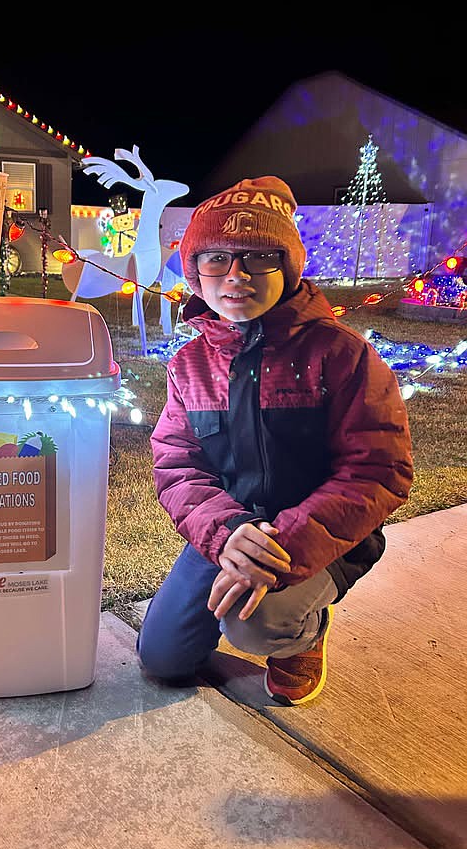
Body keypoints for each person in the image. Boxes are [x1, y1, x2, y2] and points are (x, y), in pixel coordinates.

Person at [137, 176, 413, 705]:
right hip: (233, 532)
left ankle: (300, 637)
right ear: (194, 270)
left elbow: (379, 470)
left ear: (286, 266)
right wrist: (229, 535)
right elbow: (176, 465)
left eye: (258, 257)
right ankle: (246, 596)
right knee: (163, 659)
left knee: (255, 626)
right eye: (215, 258)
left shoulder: (342, 354)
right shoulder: (189, 365)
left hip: (318, 538)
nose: (234, 276)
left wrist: (278, 547)